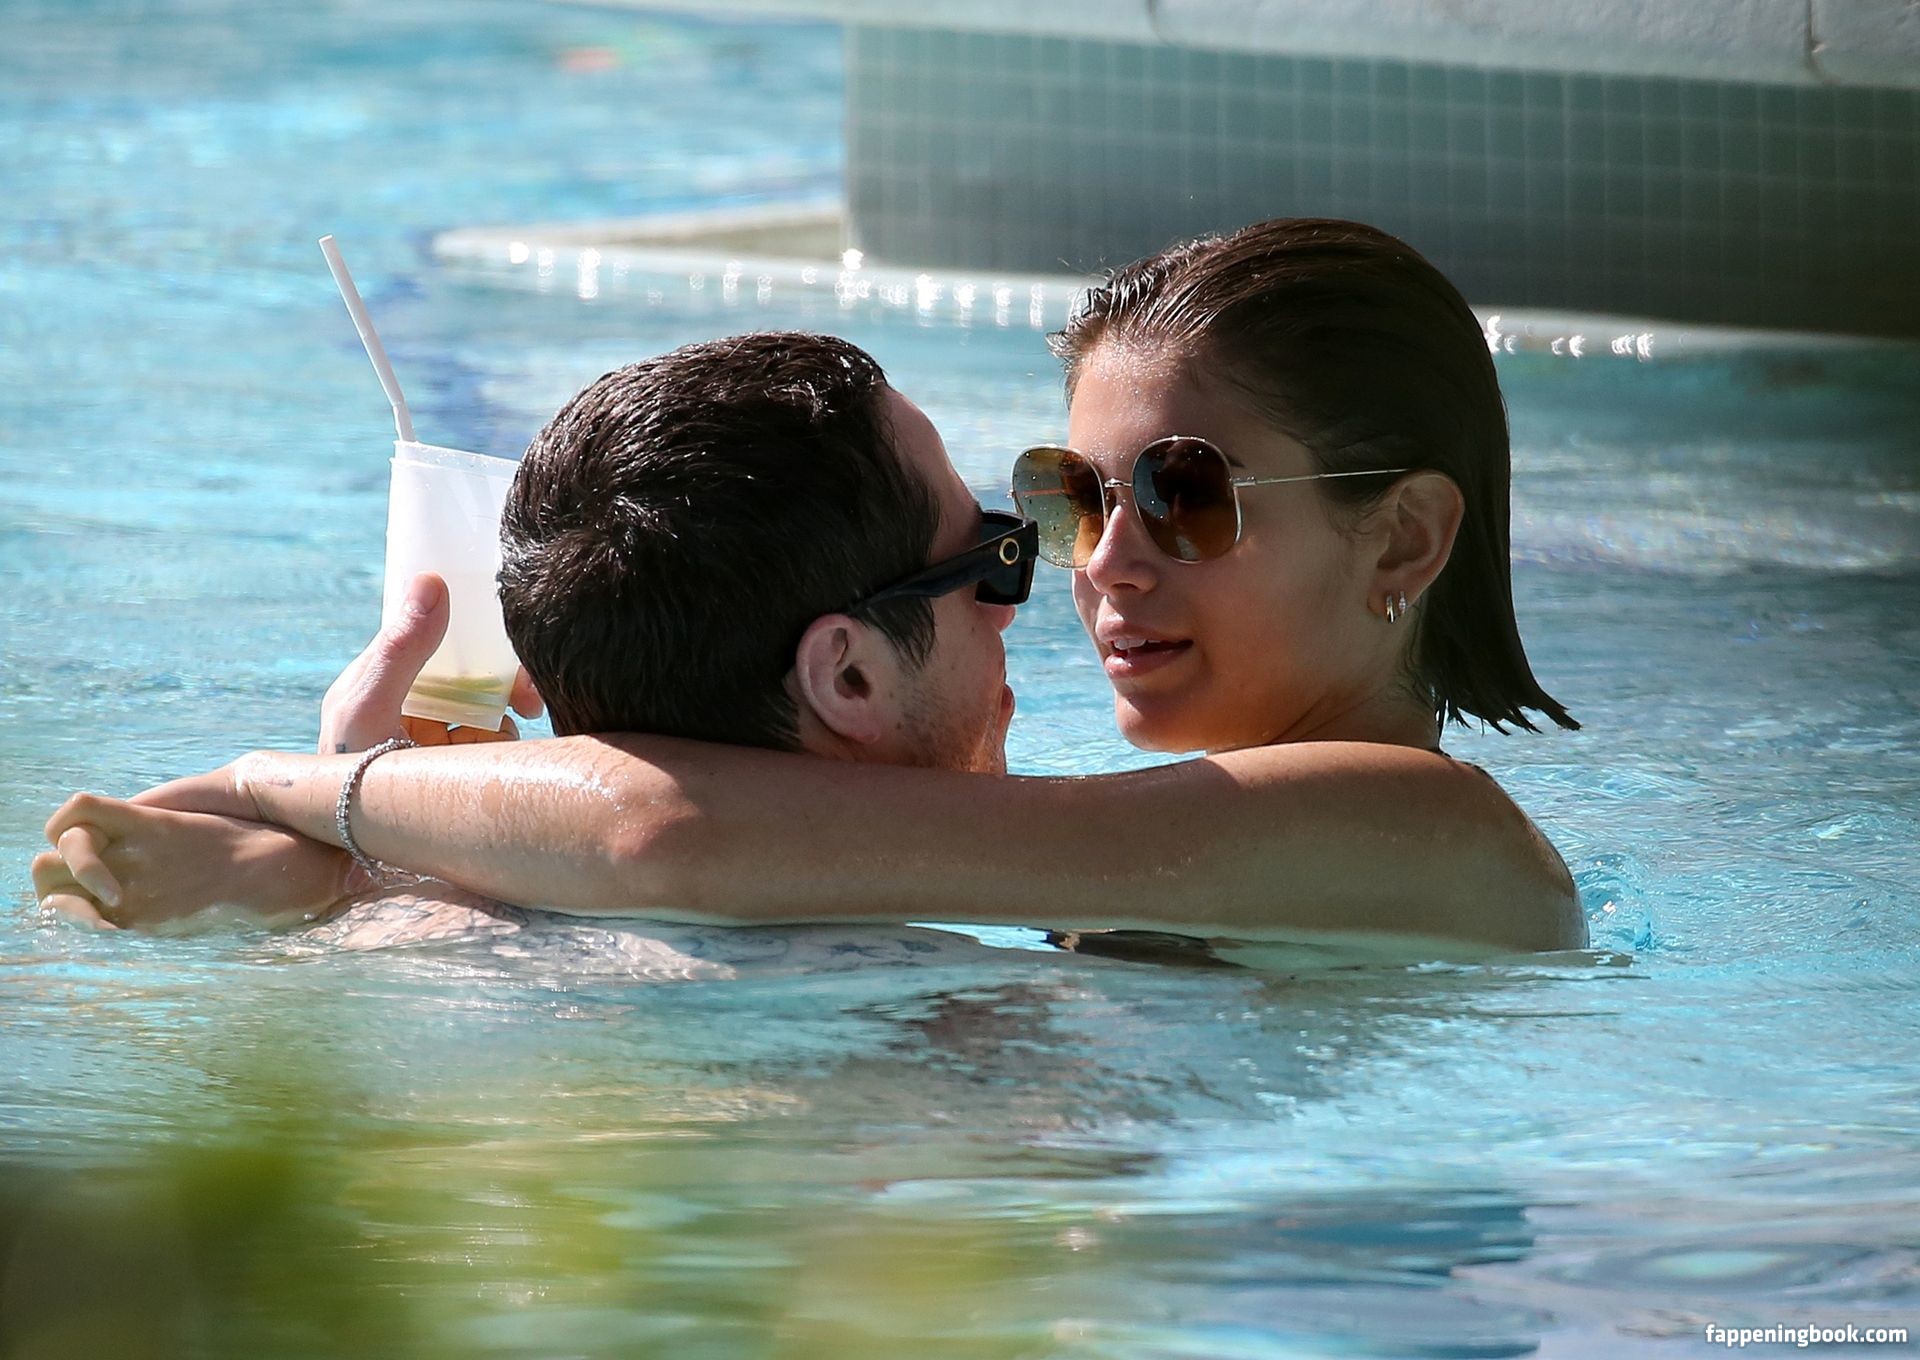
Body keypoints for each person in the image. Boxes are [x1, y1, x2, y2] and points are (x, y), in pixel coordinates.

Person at [42, 218, 1586, 954]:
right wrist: (378, 880)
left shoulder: (1429, 831)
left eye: (1184, 494)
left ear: (1403, 541)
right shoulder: (1089, 847)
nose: (1098, 568)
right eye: (1072, 499)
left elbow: (661, 831)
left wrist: (314, 798)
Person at [34, 331, 1031, 937]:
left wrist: (368, 864)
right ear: (847, 677)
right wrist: (336, 818)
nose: (1008, 607)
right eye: (989, 560)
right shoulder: (953, 1030)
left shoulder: (423, 941)